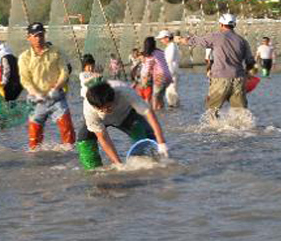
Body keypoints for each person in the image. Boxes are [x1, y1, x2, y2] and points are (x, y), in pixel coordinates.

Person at [174, 13, 255, 119]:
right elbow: (250, 62)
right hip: (238, 79)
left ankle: (214, 133)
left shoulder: (215, 36)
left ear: (221, 24)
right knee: (240, 113)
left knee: (212, 110)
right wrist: (247, 74)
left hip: (220, 78)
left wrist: (179, 40)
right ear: (234, 25)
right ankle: (241, 132)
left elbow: (196, 41)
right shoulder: (242, 41)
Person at [76, 79, 168, 169]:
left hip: (125, 115)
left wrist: (161, 142)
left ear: (113, 98)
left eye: (108, 107)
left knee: (145, 132)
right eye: (101, 109)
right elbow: (103, 137)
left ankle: (152, 163)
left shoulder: (124, 91)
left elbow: (148, 112)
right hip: (100, 120)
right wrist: (118, 164)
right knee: (84, 139)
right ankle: (94, 171)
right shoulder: (89, 110)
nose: (105, 111)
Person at [18, 22, 76, 150]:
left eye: (41, 35)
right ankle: (36, 159)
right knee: (34, 138)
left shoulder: (56, 51)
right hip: (36, 100)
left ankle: (70, 154)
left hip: (56, 97)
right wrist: (35, 93)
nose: (39, 38)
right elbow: (25, 79)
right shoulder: (24, 57)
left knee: (67, 130)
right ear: (29, 38)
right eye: (35, 36)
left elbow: (64, 71)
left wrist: (56, 88)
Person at [141, 37, 172, 110]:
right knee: (160, 96)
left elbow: (147, 69)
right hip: (168, 75)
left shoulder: (150, 55)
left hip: (160, 76)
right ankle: (162, 112)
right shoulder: (160, 52)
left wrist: (144, 79)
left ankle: (156, 113)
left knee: (155, 96)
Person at [156, 29, 181, 107]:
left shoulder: (172, 47)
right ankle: (175, 108)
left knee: (171, 92)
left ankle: (174, 109)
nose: (161, 41)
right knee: (170, 91)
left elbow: (169, 60)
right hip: (171, 71)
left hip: (171, 72)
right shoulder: (171, 46)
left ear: (167, 38)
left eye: (161, 39)